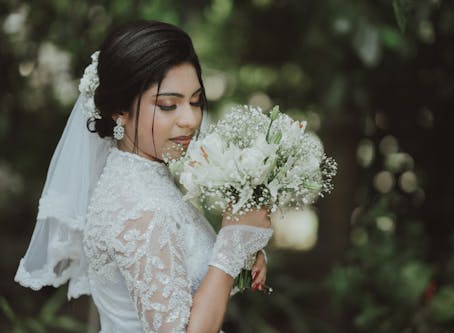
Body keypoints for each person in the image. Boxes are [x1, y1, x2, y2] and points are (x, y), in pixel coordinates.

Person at [15, 20, 273, 333]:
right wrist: (231, 243)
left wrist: (237, 255)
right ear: (120, 109)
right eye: (168, 105)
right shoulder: (141, 208)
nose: (190, 119)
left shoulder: (141, 178)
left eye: (195, 101)